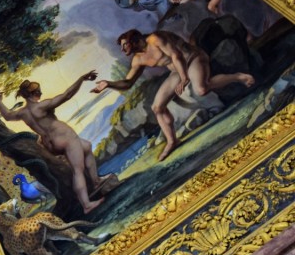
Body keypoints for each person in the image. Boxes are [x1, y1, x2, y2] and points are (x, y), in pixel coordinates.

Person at [92, 30, 255, 161]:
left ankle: (238, 77)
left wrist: (184, 78)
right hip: (176, 71)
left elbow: (176, 55)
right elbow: (128, 83)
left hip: (192, 59)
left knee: (201, 89)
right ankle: (172, 141)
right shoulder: (138, 59)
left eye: (124, 45)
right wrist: (108, 84)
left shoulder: (155, 39)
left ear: (133, 40)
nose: (123, 50)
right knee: (157, 107)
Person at [0, 73, 112, 214]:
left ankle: (96, 181)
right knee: (78, 170)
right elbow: (67, 95)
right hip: (64, 138)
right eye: (39, 91)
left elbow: (7, 116)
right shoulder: (41, 106)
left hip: (50, 144)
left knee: (86, 146)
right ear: (35, 93)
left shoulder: (22, 112)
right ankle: (86, 205)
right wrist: (81, 79)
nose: (41, 93)